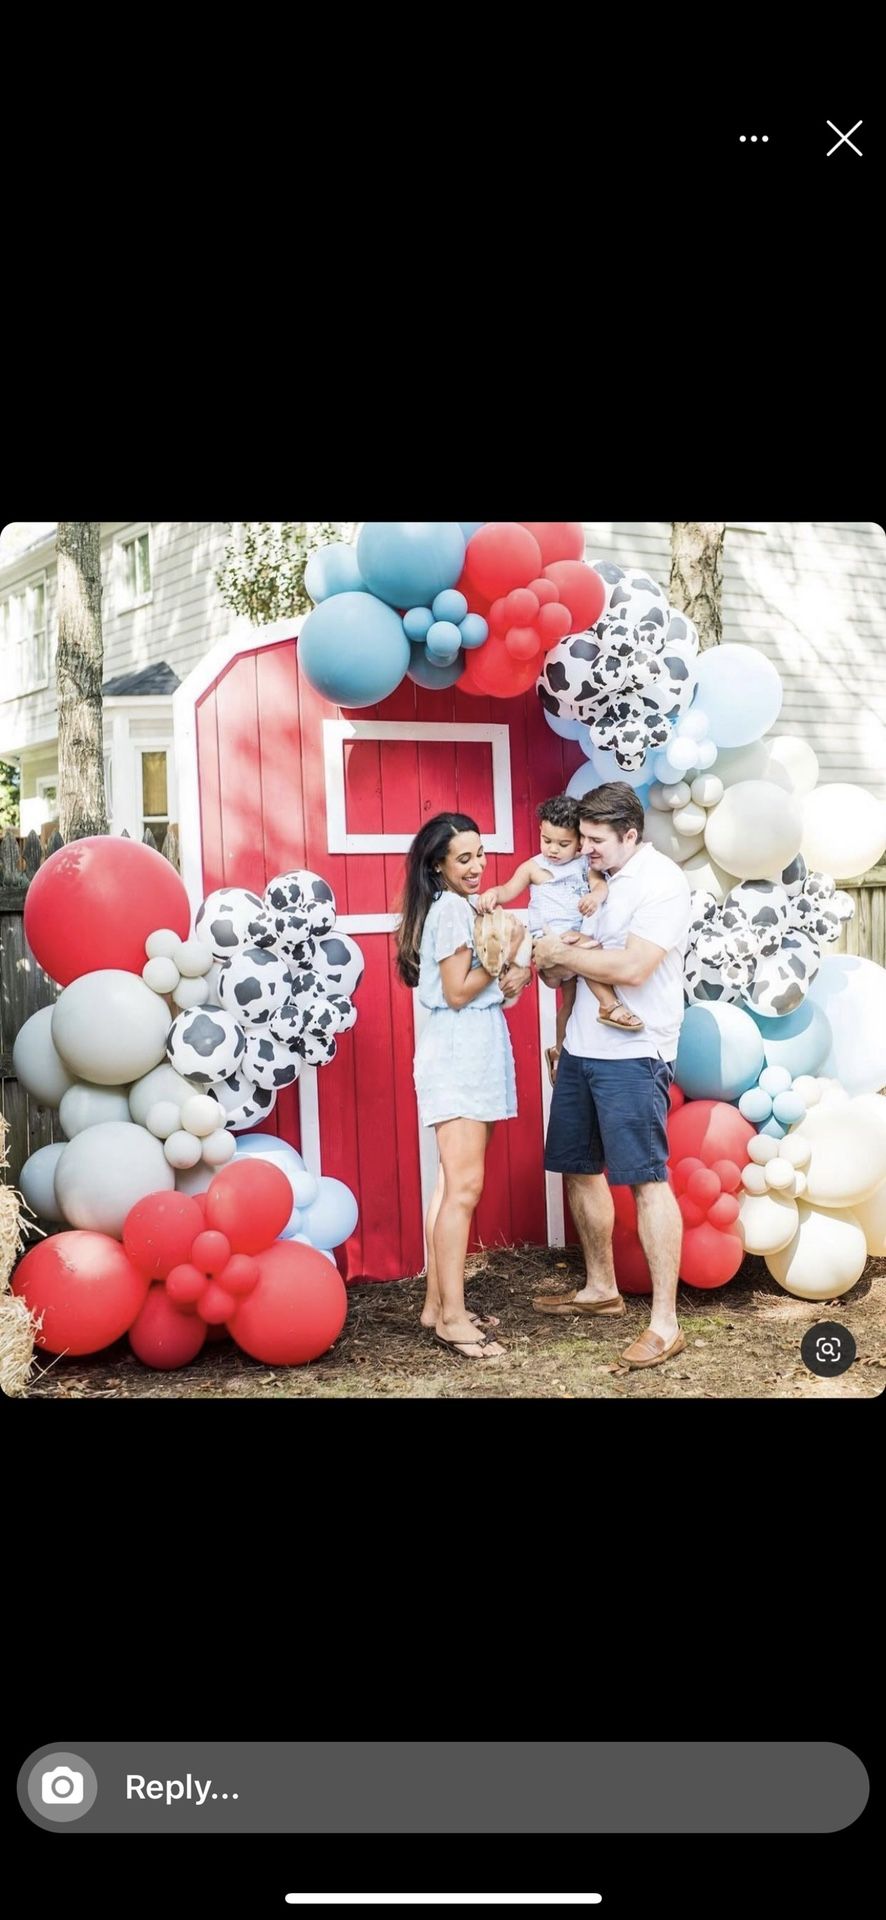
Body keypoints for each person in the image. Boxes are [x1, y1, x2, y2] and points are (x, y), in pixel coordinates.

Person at [531, 783, 692, 1370]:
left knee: (646, 1180)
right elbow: (554, 975)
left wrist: (561, 951)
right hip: (580, 1047)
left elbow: (631, 966)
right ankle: (601, 1289)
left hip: (635, 1052)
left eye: (597, 840)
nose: (586, 849)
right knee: (577, 1167)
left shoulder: (661, 883)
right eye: (584, 839)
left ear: (631, 834)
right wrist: (559, 1015)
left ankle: (666, 1324)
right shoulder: (587, 878)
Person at [396, 812, 532, 1361]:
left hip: (466, 1051)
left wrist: (505, 974)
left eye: (480, 855)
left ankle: (437, 1304)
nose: (477, 867)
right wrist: (507, 963)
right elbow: (456, 991)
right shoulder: (451, 910)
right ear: (438, 866)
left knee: (449, 1186)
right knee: (464, 1189)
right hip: (459, 1056)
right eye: (463, 859)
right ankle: (452, 1317)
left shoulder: (448, 907)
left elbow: (467, 989)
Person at [476, 793, 644, 1086]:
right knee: (587, 954)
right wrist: (493, 894)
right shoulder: (533, 867)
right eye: (546, 840)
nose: (552, 850)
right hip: (545, 939)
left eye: (563, 844)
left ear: (579, 842)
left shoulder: (584, 865)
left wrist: (594, 896)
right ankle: (609, 1004)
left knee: (570, 1002)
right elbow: (507, 889)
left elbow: (600, 887)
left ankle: (559, 1051)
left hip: (574, 936)